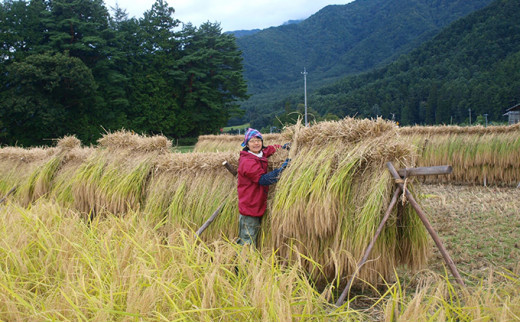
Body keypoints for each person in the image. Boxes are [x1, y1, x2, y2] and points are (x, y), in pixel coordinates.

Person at [236, 128, 290, 246]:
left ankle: (249, 261)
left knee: (253, 237)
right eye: (252, 141)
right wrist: (280, 171)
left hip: (257, 204)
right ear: (246, 144)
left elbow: (269, 149)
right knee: (247, 240)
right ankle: (242, 263)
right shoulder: (247, 162)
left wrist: (282, 147)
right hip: (250, 207)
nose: (256, 143)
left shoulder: (259, 153)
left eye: (258, 140)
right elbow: (263, 180)